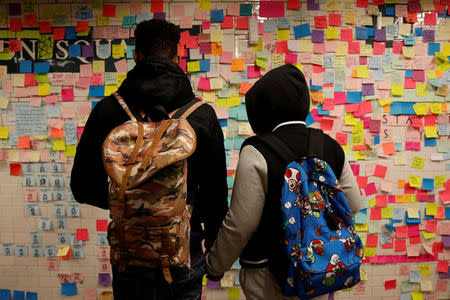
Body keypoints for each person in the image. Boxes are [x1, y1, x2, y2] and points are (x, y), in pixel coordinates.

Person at [70, 19, 228, 300]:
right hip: (185, 253)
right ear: (177, 57)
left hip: (130, 255)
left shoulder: (108, 111)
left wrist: (131, 201)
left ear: (135, 55)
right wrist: (215, 257)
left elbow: (81, 187)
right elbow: (216, 199)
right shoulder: (202, 116)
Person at [205, 64, 361, 300]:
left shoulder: (256, 150)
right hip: (317, 269)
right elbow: (352, 203)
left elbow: (240, 225)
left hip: (267, 275)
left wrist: (215, 265)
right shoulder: (329, 146)